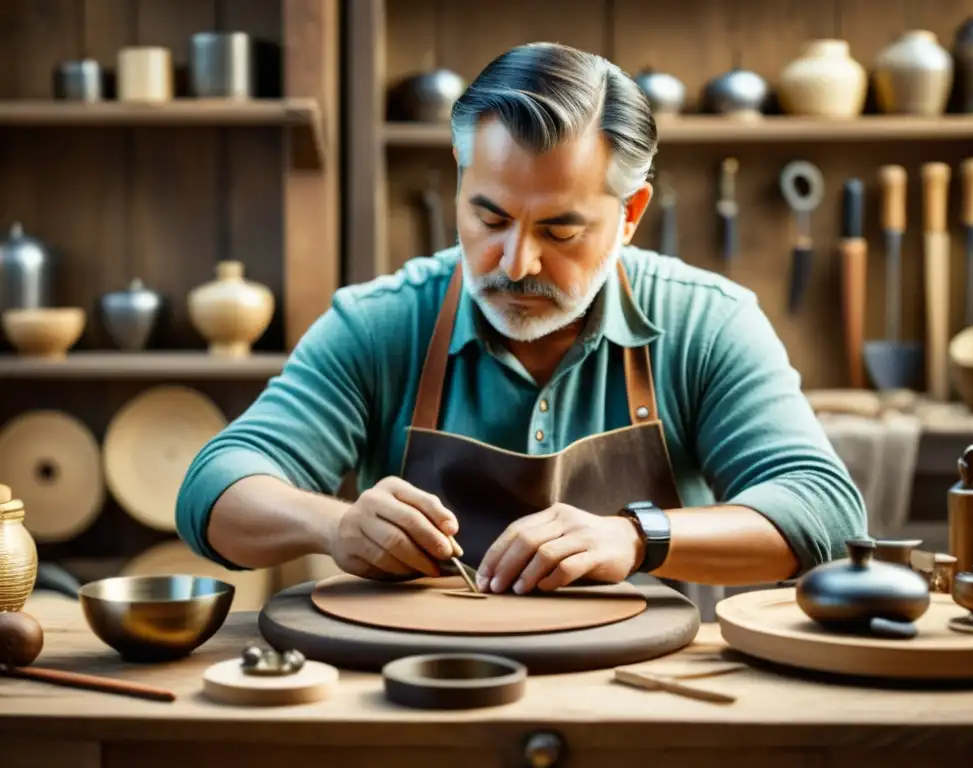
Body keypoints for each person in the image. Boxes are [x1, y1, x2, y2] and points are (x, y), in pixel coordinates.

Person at [176, 42, 866, 596]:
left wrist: (635, 536)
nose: (517, 262)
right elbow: (213, 490)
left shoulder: (705, 323)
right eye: (490, 216)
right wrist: (333, 525)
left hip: (642, 691)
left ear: (629, 216)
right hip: (421, 689)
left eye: (561, 231)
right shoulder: (379, 324)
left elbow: (826, 513)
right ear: (459, 175)